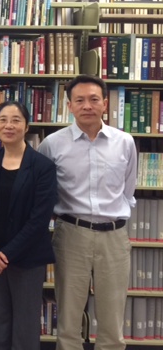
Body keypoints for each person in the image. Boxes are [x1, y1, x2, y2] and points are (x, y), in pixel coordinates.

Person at [38, 75, 137, 350]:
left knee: (112, 319)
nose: (87, 106)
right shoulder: (52, 144)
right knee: (69, 319)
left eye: (94, 99)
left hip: (114, 237)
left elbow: (128, 191)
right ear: (69, 105)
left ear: (105, 103)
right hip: (71, 234)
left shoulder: (125, 142)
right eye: (79, 100)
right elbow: (44, 192)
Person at [0, 101, 57, 350]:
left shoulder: (42, 166)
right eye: (3, 120)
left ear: (27, 126)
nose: (8, 125)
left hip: (27, 259)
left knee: (25, 324)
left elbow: (40, 218)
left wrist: (7, 254)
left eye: (16, 120)